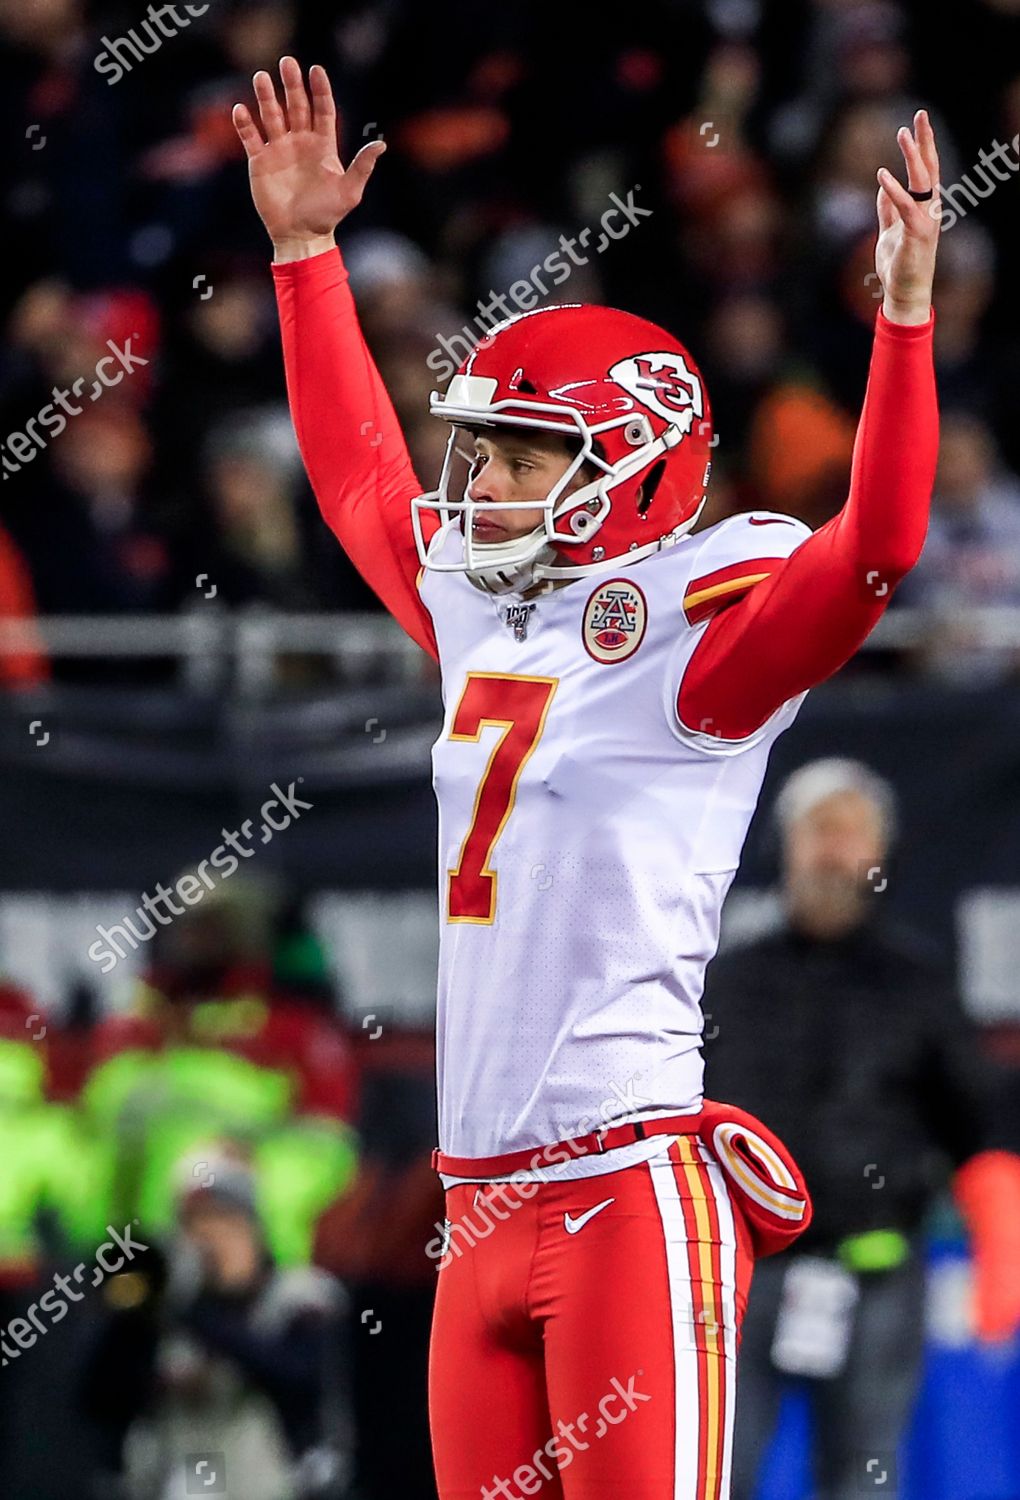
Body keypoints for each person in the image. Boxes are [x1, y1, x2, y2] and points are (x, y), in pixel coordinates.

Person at [234, 58, 941, 1499]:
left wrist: (905, 331)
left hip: (627, 1194)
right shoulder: (485, 607)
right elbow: (363, 481)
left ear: (629, 470)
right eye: (482, 449)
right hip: (478, 1201)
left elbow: (874, 547)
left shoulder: (695, 641)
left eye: (515, 454)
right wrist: (305, 259)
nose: (476, 482)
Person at [702, 758, 1020, 1500]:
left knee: (864, 1479)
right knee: (719, 1470)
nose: (833, 852)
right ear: (787, 844)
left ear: (881, 851)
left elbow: (977, 1121)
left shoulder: (918, 983)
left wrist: (1001, 1251)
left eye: (851, 833)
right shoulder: (730, 978)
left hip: (877, 1276)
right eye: (819, 831)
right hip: (742, 1277)